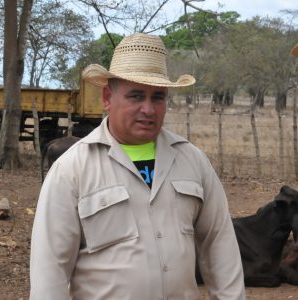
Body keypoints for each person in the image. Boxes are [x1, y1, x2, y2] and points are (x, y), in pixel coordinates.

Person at [30, 33, 245, 300]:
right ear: (107, 97)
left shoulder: (193, 161)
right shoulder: (72, 169)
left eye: (158, 97)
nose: (148, 109)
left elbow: (220, 246)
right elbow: (50, 271)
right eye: (136, 96)